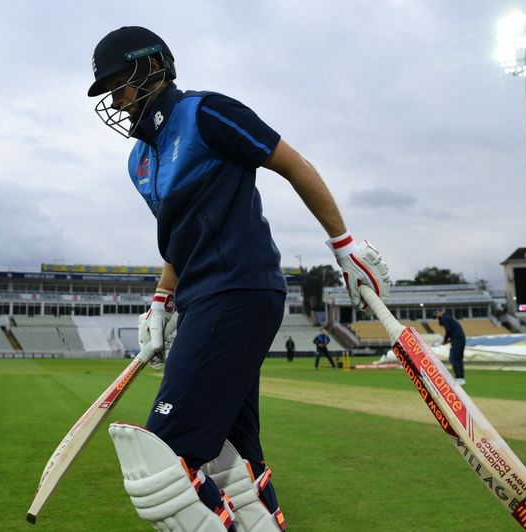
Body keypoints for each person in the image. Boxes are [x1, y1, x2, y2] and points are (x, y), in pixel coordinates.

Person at [88, 26, 391, 531]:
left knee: (161, 464)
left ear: (153, 68)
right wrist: (161, 301)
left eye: (120, 84)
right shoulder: (139, 161)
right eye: (109, 91)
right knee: (232, 462)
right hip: (201, 299)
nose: (117, 101)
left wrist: (344, 244)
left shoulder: (207, 113)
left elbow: (293, 164)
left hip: (240, 289)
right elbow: (180, 240)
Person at [434, 309, 466, 385]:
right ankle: (460, 378)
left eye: (436, 315)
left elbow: (448, 331)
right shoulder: (449, 318)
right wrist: (447, 341)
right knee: (458, 358)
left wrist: (445, 340)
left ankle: (459, 377)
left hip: (457, 340)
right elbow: (453, 332)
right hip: (461, 339)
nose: (436, 317)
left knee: (453, 358)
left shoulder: (444, 318)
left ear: (439, 313)